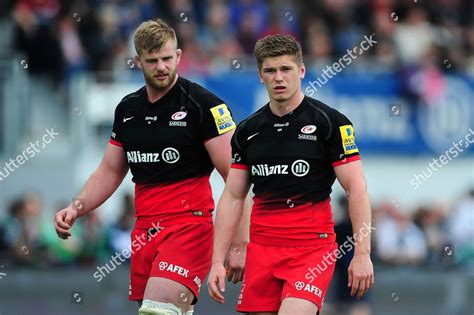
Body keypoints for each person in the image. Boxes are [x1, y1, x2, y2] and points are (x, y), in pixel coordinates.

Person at [54, 18, 250, 315]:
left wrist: (239, 243)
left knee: (158, 310)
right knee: (159, 310)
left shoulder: (204, 106)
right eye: (153, 60)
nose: (161, 67)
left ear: (179, 57)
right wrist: (77, 207)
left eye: (167, 59)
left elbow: (237, 177)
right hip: (144, 230)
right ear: (137, 61)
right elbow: (109, 170)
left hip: (189, 227)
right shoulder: (128, 109)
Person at [208, 34, 374, 315]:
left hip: (311, 250)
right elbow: (234, 196)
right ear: (261, 76)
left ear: (301, 71)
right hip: (261, 249)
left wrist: (363, 254)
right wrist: (217, 259)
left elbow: (356, 189)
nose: (279, 78)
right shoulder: (248, 131)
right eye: (270, 71)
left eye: (286, 69)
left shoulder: (329, 123)